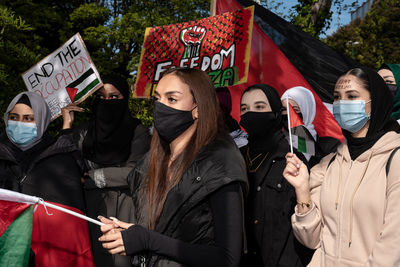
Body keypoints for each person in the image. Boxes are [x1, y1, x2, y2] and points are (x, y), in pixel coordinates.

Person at [98, 68, 248, 267]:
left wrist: (148, 240)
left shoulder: (220, 162)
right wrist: (130, 234)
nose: (161, 107)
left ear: (198, 108)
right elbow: (157, 231)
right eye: (158, 99)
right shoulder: (150, 162)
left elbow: (227, 258)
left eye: (172, 99)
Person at [283, 67, 400, 266]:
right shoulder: (327, 164)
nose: (341, 103)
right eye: (337, 97)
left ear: (376, 102)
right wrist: (302, 190)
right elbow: (310, 240)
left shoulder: (394, 159)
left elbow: (393, 245)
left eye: (352, 96)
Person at [61, 75, 151, 267]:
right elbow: (64, 164)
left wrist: (91, 177)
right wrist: (67, 125)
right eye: (101, 97)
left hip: (123, 212)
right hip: (86, 212)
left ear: (124, 98)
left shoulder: (138, 132)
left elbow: (135, 172)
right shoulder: (84, 133)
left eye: (114, 97)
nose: (107, 102)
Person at [0, 92, 94, 266]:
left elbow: (71, 223)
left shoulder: (58, 157)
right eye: (14, 117)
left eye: (28, 119)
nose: (19, 124)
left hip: (49, 254)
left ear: (42, 121)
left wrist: (67, 127)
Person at [239, 84, 313, 267]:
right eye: (244, 109)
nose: (250, 113)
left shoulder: (293, 158)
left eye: (259, 107)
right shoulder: (237, 156)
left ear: (275, 112)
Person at [281, 86, 340, 167]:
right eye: (284, 109)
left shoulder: (330, 145)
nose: (288, 114)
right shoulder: (276, 143)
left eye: (295, 109)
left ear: (307, 110)